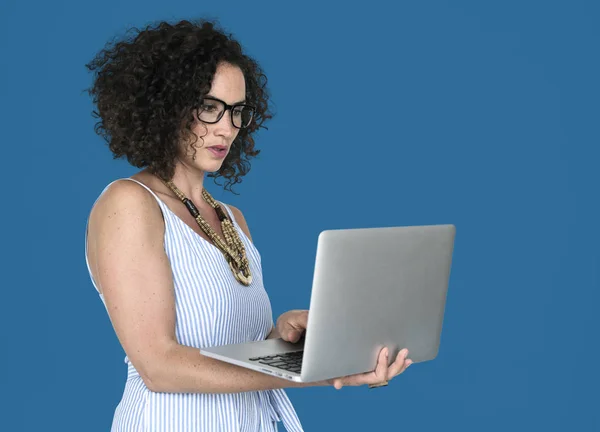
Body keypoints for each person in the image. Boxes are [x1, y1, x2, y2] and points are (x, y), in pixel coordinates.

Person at [84, 18, 412, 432]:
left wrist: (286, 340)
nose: (227, 127)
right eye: (209, 107)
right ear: (164, 107)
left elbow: (228, 352)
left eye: (237, 111)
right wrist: (313, 372)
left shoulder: (232, 219)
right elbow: (159, 366)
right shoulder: (130, 203)